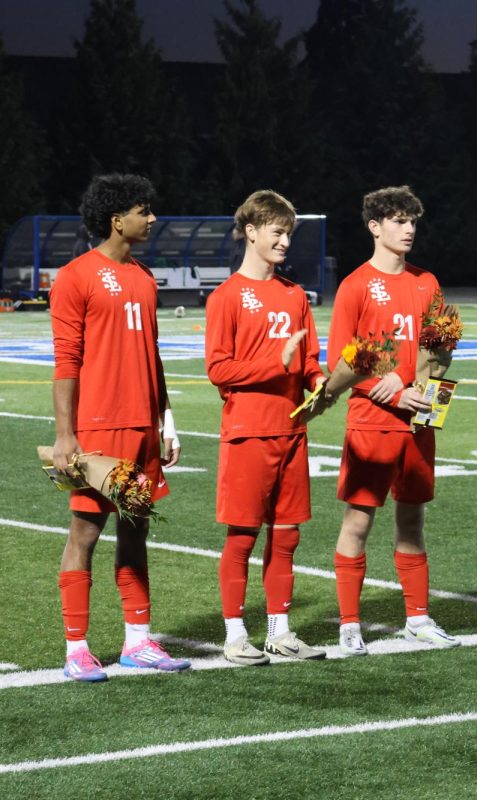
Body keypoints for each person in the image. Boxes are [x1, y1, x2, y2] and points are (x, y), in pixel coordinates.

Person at [49, 173, 190, 682]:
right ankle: (76, 647)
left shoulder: (146, 277)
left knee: (137, 531)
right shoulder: (75, 276)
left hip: (142, 428)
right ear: (117, 220)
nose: (151, 218)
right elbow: (66, 361)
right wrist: (67, 435)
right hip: (98, 429)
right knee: (85, 531)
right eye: (142, 210)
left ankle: (138, 642)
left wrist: (166, 422)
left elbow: (152, 357)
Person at [327, 186, 458, 656]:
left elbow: (441, 354)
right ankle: (349, 625)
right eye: (398, 221)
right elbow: (340, 365)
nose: (408, 230)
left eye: (412, 222)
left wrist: (426, 397)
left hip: (418, 423)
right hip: (372, 422)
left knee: (413, 521)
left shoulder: (428, 282)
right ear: (374, 226)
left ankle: (418, 619)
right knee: (358, 520)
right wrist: (391, 389)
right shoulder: (356, 285)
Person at [206, 190, 329, 665]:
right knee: (242, 536)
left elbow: (311, 360)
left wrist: (319, 383)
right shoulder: (226, 297)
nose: (285, 242)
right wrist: (273, 364)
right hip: (248, 434)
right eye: (277, 232)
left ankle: (280, 630)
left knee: (287, 535)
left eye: (289, 234)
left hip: (292, 432)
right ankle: (235, 635)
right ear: (252, 232)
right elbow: (218, 369)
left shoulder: (295, 295)